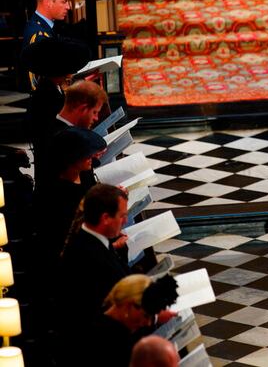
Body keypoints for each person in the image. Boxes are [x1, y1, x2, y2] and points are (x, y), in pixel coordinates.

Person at [59, 183, 130, 335]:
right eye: (122, 216)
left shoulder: (91, 239)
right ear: (105, 218)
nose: (125, 221)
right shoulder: (90, 257)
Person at [32, 127, 106, 265]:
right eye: (88, 154)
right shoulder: (56, 194)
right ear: (72, 156)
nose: (92, 157)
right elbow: (69, 240)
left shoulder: (83, 173)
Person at [88, 274, 178, 367]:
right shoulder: (122, 348)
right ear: (128, 305)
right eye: (146, 316)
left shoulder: (101, 316)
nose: (148, 323)